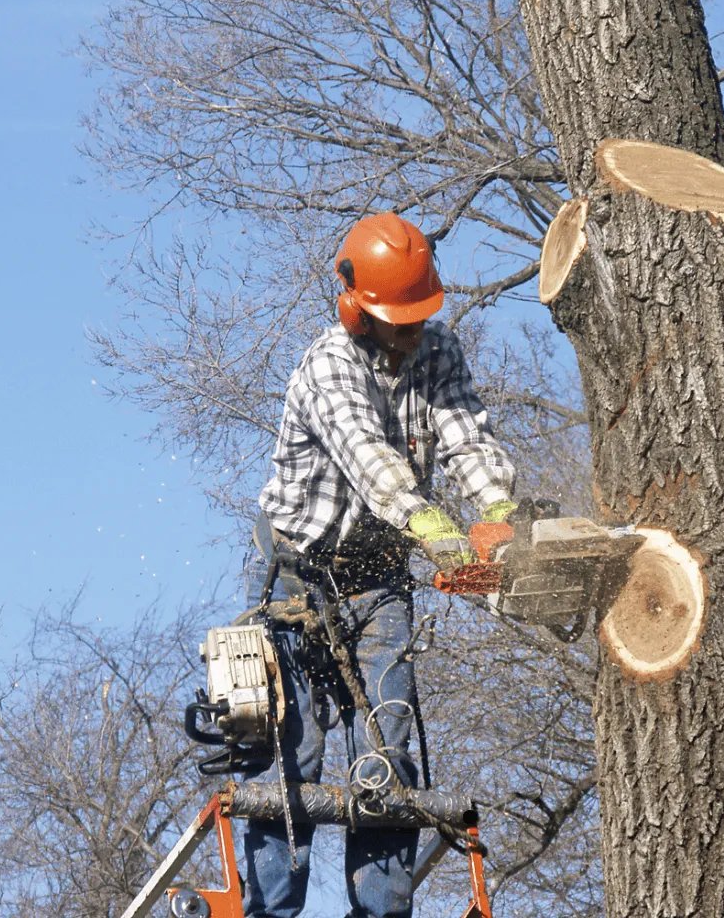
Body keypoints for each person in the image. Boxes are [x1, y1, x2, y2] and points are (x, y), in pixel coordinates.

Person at [244, 211, 518, 918]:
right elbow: (373, 462)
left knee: (387, 755)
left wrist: (497, 514)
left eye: (420, 316)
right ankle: (271, 911)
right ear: (357, 310)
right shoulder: (327, 367)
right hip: (299, 582)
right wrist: (438, 531)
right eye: (401, 320)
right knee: (291, 762)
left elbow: (466, 434)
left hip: (381, 580)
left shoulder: (439, 350)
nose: (413, 333)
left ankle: (382, 911)